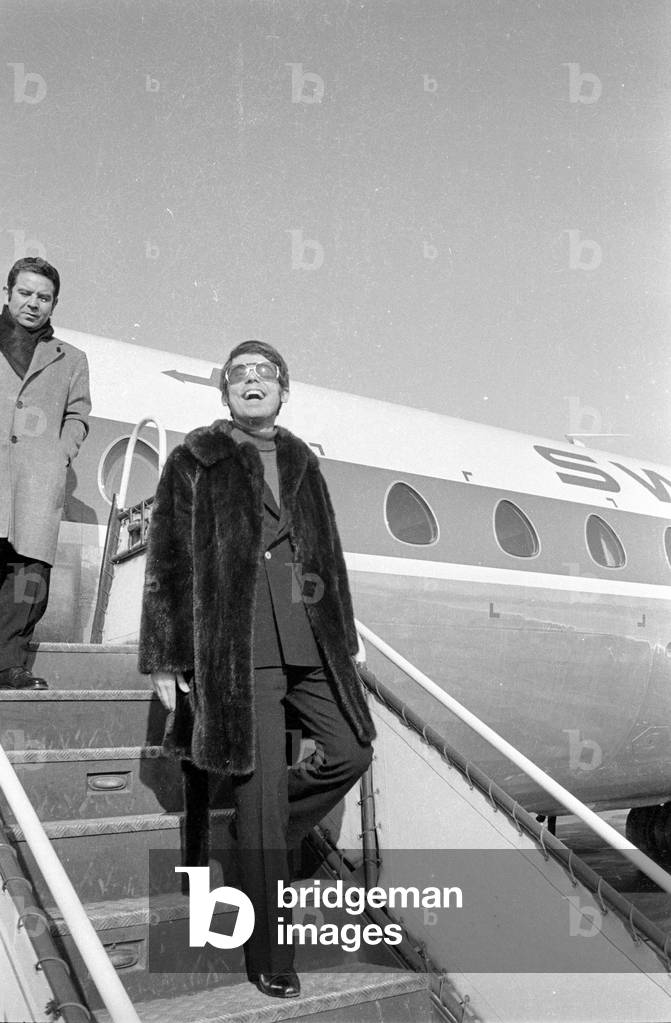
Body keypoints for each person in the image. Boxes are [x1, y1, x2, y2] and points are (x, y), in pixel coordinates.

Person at [139, 340, 374, 998]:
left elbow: (326, 551)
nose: (250, 384)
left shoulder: (302, 459)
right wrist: (165, 650)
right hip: (241, 645)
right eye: (238, 376)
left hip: (311, 636)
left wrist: (345, 630)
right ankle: (268, 953)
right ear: (225, 393)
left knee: (352, 751)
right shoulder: (197, 457)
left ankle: (255, 831)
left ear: (282, 390)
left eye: (262, 375)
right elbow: (168, 553)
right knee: (263, 792)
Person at [0, 257, 91, 689]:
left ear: (54, 304)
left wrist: (61, 453)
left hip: (37, 481)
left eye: (44, 297)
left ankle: (7, 666)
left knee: (26, 578)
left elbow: (78, 414)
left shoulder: (71, 358)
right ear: (7, 293)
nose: (34, 303)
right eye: (25, 293)